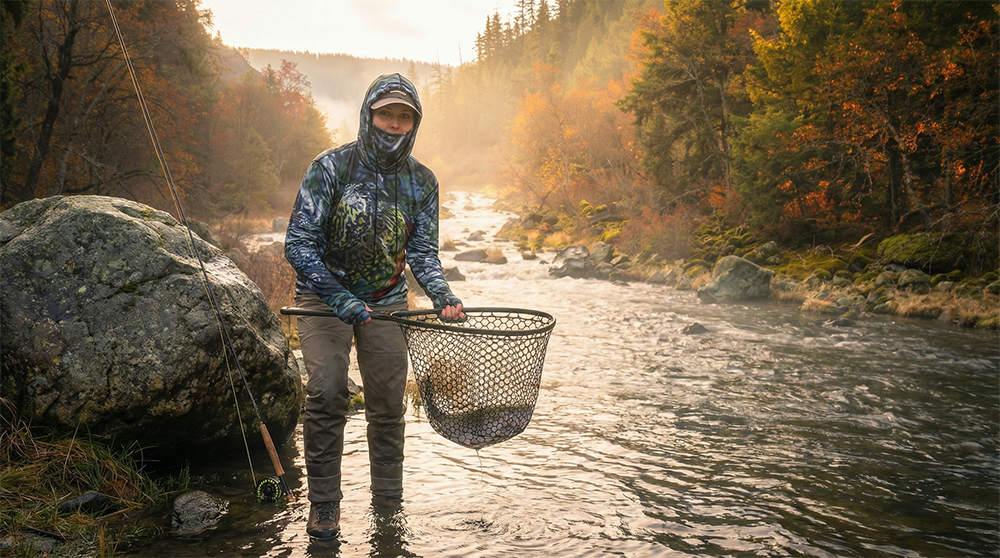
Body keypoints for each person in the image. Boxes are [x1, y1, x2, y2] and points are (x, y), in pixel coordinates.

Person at [284, 73, 464, 540]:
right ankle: (325, 506)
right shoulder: (330, 167)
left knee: (387, 405)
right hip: (321, 298)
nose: (395, 123)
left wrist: (442, 294)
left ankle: (388, 505)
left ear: (415, 123)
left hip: (387, 301)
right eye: (386, 114)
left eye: (405, 116)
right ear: (369, 115)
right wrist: (339, 297)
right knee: (327, 393)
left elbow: (422, 253)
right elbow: (298, 243)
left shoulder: (422, 181)